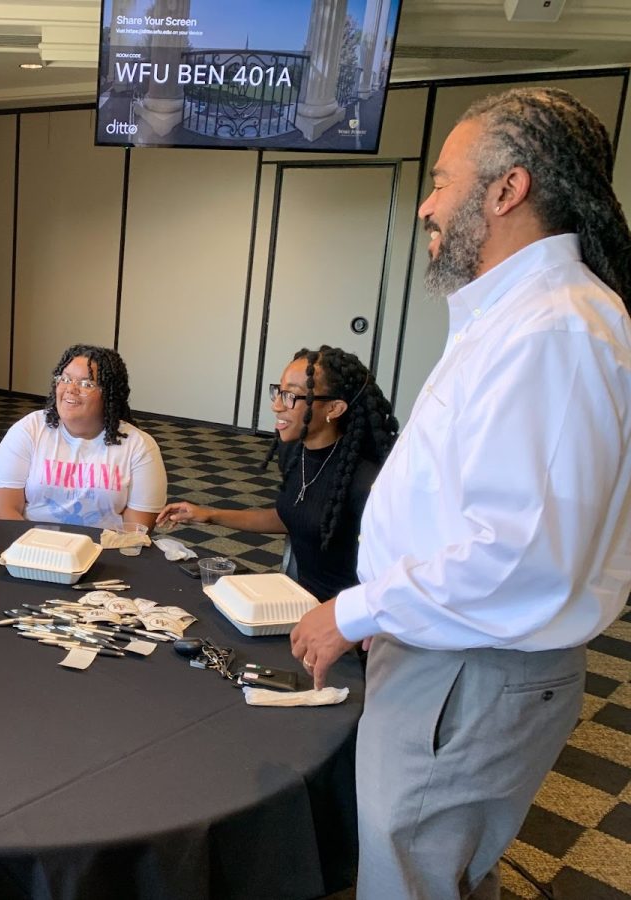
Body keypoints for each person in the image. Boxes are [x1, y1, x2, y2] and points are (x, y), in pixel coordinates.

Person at [290, 87, 631, 899]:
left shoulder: (554, 330)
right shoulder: (518, 317)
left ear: (507, 190)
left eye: (442, 182)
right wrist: (393, 613)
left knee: (406, 882)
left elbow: (517, 554)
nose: (426, 207)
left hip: (472, 670)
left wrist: (356, 610)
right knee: (419, 870)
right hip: (450, 652)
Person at [157, 346, 398, 600]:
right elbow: (294, 516)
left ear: (334, 408)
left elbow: (389, 580)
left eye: (291, 396)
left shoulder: (366, 482)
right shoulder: (294, 452)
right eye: (278, 392)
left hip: (344, 618)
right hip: (297, 598)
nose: (276, 405)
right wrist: (210, 514)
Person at [0, 344, 166, 530]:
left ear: (109, 394)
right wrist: (38, 550)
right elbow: (4, 511)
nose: (71, 389)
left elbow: (137, 529)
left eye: (86, 384)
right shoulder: (29, 430)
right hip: (32, 549)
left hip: (104, 552)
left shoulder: (140, 446)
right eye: (65, 379)